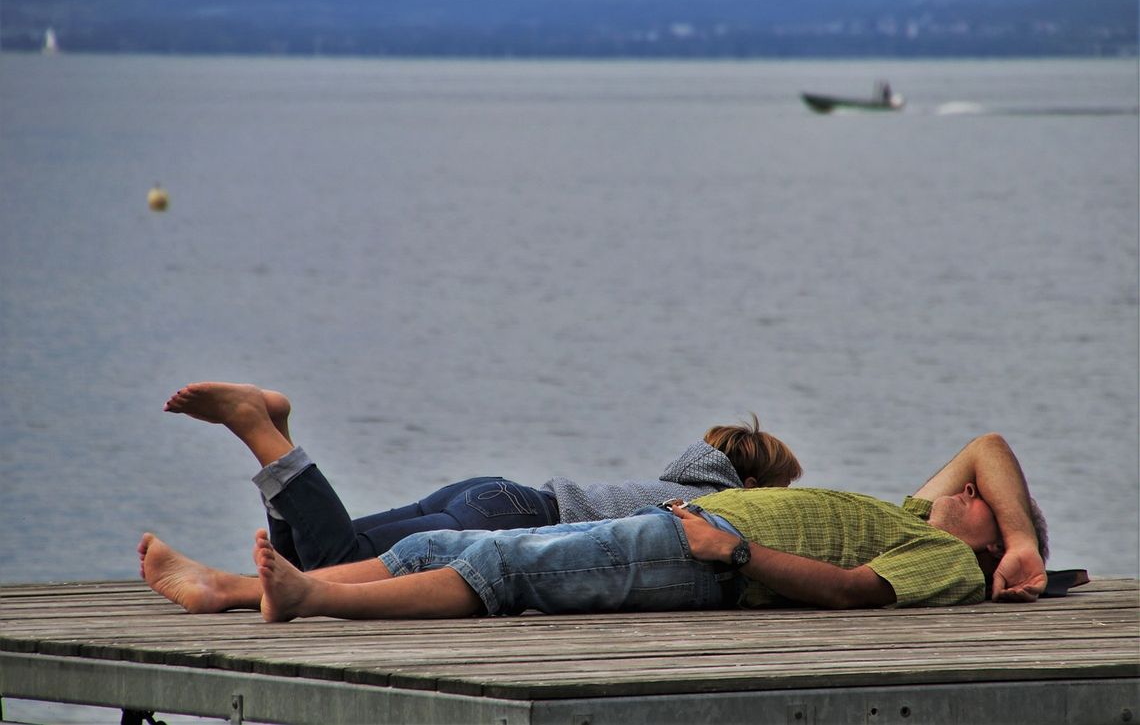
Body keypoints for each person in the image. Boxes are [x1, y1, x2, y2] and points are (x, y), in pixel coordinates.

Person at [138, 432, 1049, 620]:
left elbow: (855, 593)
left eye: (980, 503)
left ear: (970, 529)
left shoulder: (941, 557)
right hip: (679, 528)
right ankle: (232, 588)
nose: (967, 488)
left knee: (507, 574)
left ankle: (304, 595)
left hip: (700, 557)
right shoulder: (915, 516)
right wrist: (1023, 543)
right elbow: (985, 444)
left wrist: (732, 548)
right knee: (440, 549)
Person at [161, 382, 802, 572]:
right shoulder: (714, 510)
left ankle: (276, 429)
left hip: (495, 495)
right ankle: (256, 426)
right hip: (512, 522)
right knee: (337, 561)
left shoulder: (674, 485)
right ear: (756, 491)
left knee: (309, 562)